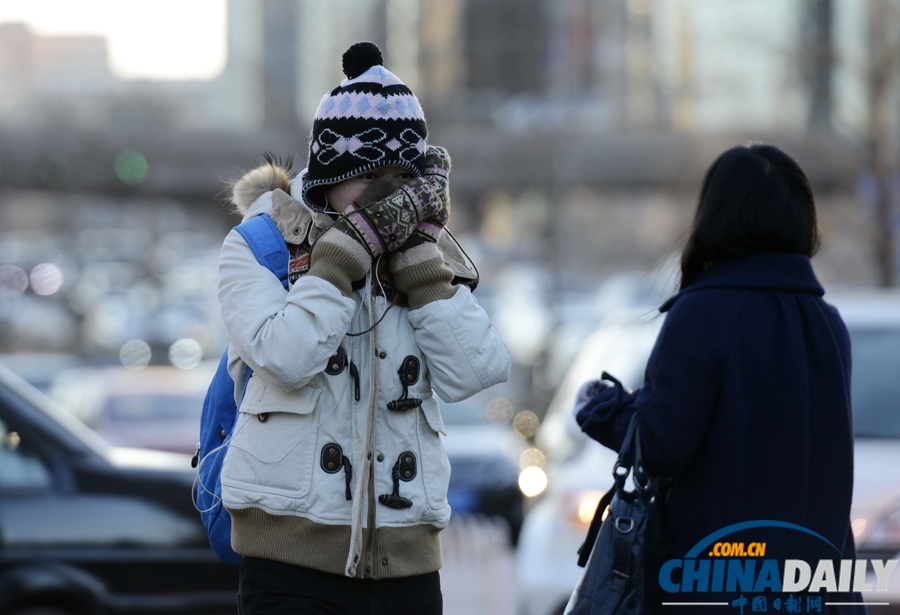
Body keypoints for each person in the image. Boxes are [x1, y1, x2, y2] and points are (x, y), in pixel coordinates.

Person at [217, 41, 510, 614]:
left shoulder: (422, 253)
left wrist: (424, 273)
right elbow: (286, 355)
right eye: (371, 176)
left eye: (403, 176)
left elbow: (477, 370)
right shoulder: (260, 246)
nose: (389, 194)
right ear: (331, 174)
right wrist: (341, 260)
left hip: (406, 563)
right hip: (288, 559)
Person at [573, 144, 865, 613]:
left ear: (716, 215)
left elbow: (662, 441)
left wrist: (599, 407)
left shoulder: (704, 314)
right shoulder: (827, 324)